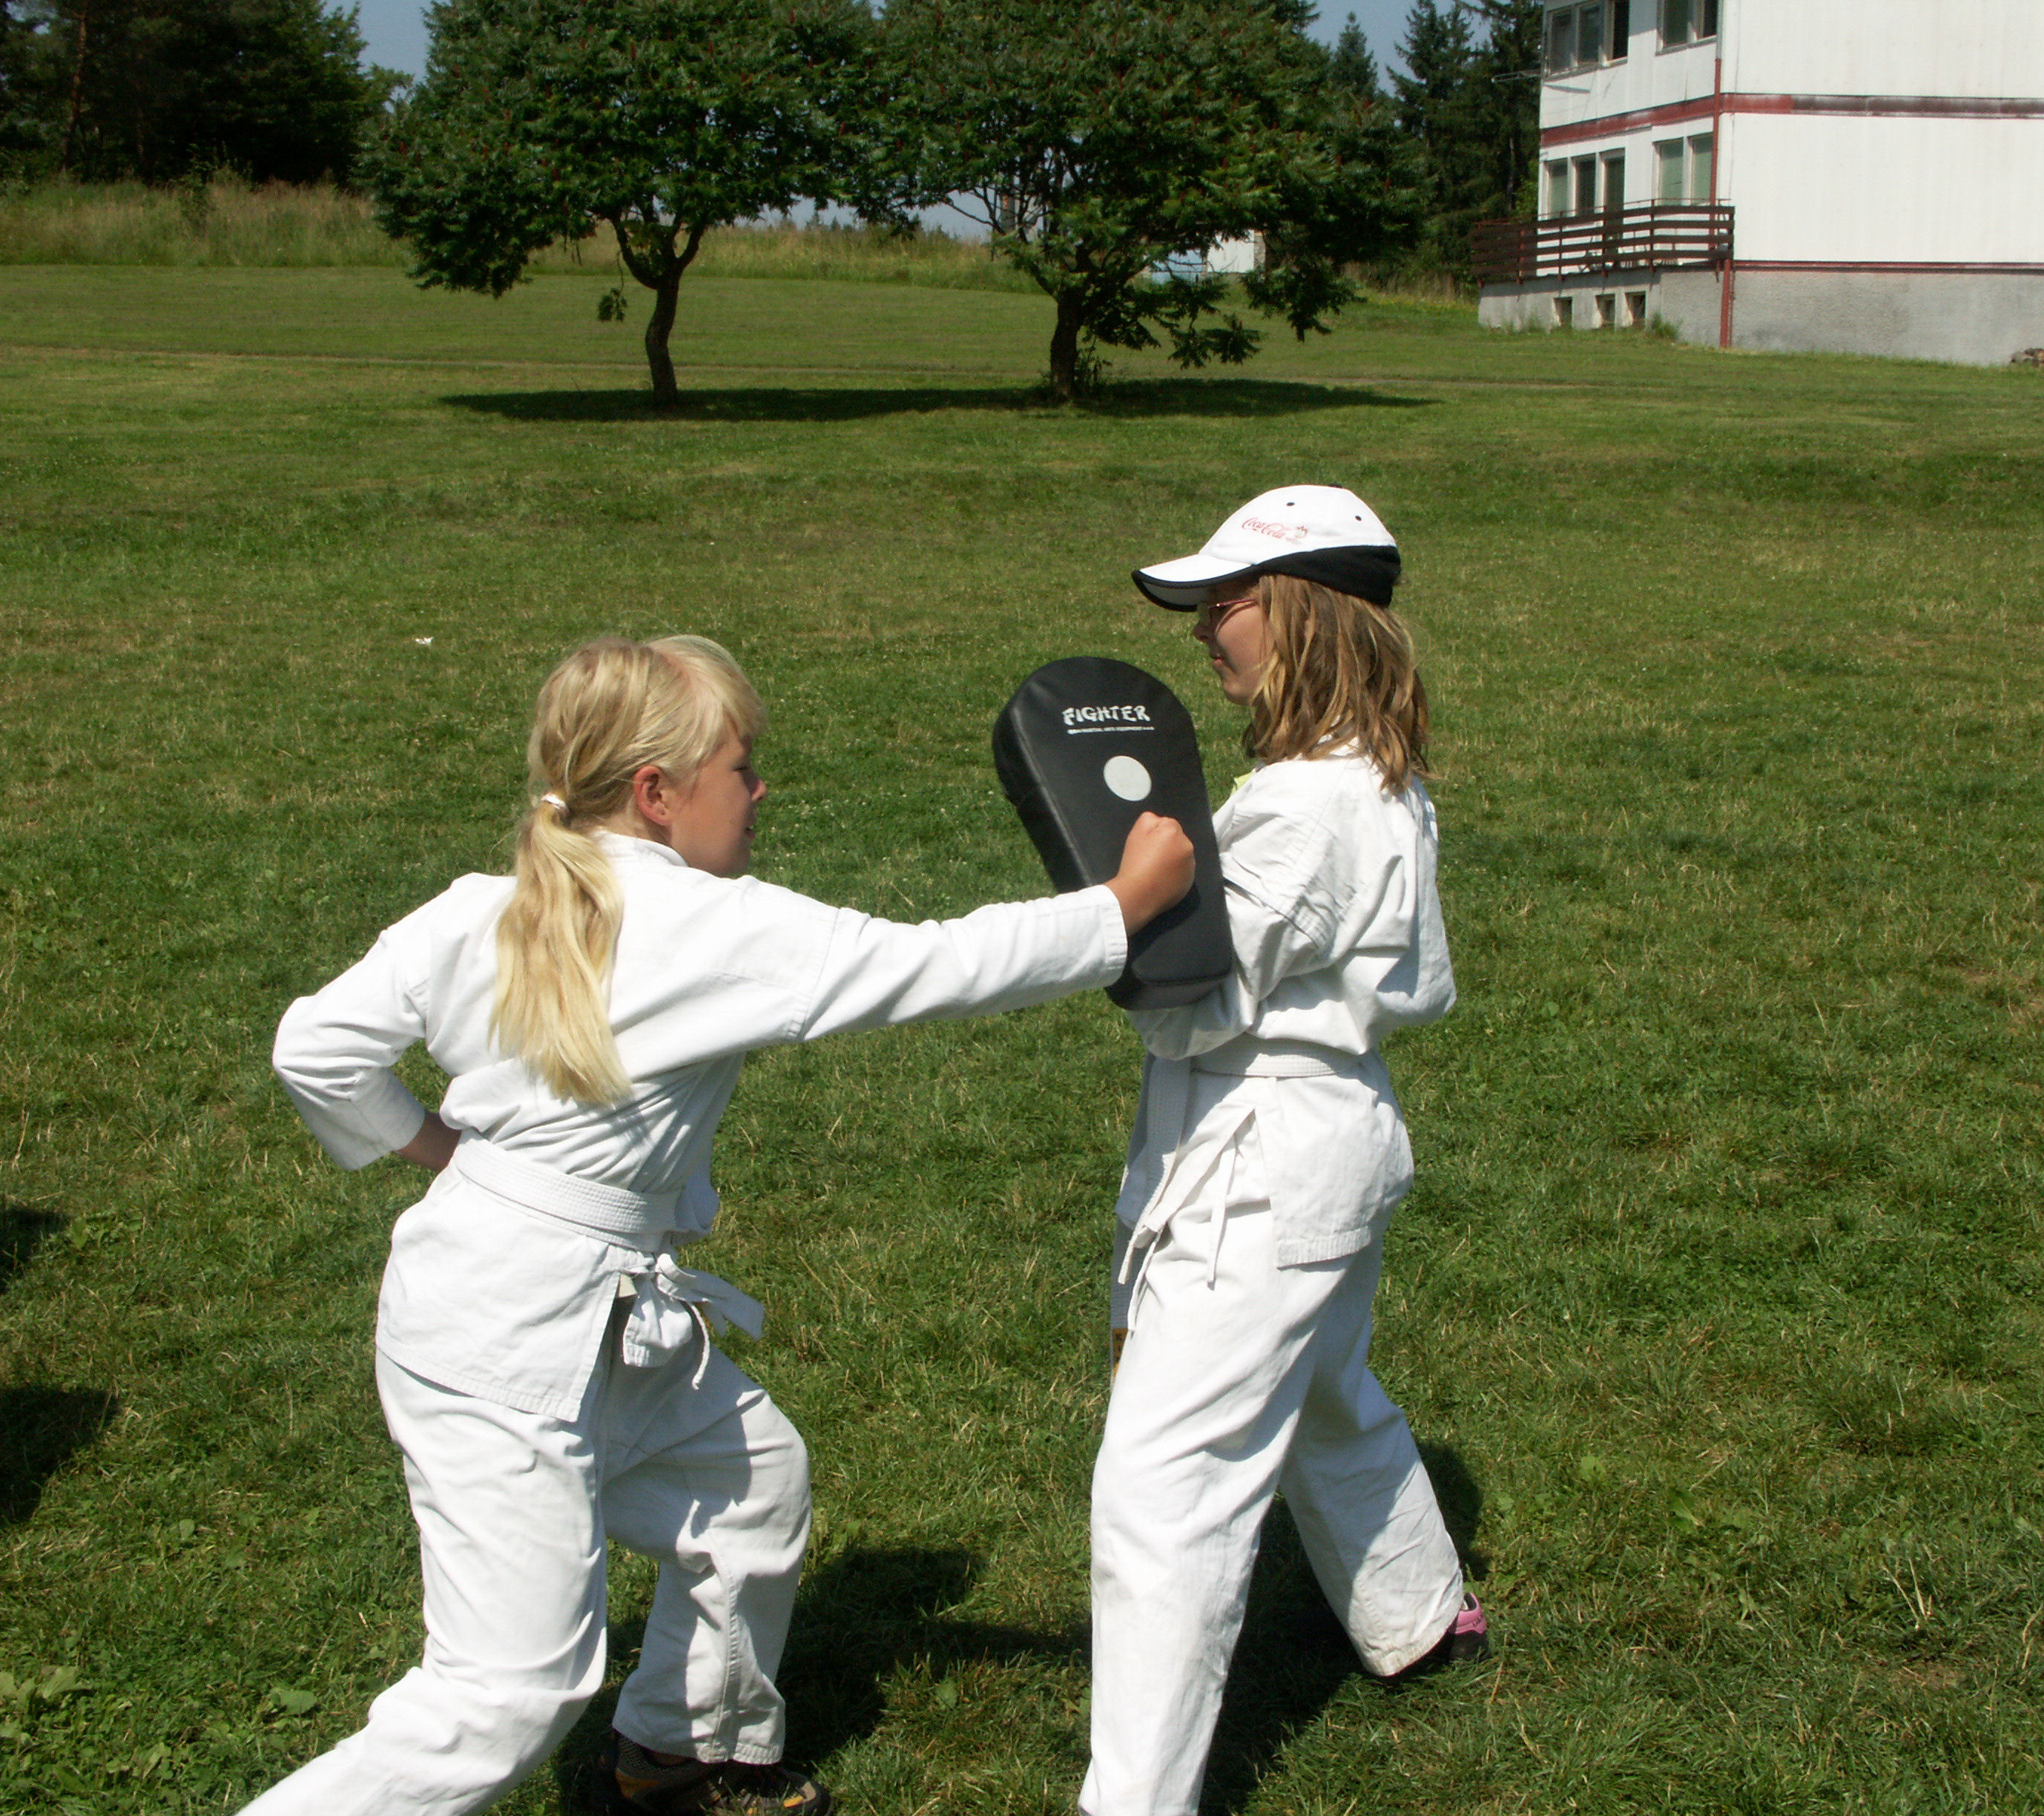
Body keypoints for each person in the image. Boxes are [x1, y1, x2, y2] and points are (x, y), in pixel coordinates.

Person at [257, 634, 1193, 1816]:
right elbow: (940, 963)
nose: (761, 791)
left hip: (524, 1296)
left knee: (747, 1488)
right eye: (741, 768)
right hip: (509, 1336)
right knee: (506, 1693)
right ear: (658, 793)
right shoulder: (710, 926)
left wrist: (440, 1150)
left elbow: (315, 1052)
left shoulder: (477, 908)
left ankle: (673, 1757)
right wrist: (1120, 908)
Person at [1084, 487, 1484, 1816]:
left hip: (1256, 1165)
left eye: (1225, 604)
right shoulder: (1377, 776)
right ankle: (1417, 1611)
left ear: (1302, 614)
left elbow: (1190, 999)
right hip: (1334, 1142)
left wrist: (1116, 913)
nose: (1206, 631)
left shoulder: (1299, 807)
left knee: (1167, 1495)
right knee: (1320, 1390)